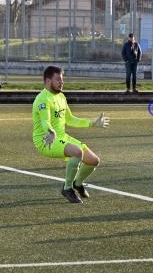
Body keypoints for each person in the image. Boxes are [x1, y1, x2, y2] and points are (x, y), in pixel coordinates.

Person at [32, 66, 110, 203]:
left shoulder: (61, 96)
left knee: (94, 161)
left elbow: (70, 119)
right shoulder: (42, 99)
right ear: (48, 80)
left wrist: (92, 123)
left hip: (61, 137)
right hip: (46, 140)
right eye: (58, 80)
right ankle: (67, 188)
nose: (62, 83)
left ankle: (77, 183)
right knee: (77, 152)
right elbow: (45, 122)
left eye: (62, 80)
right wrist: (51, 132)